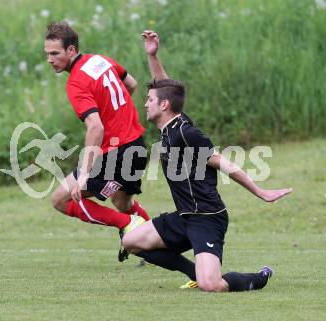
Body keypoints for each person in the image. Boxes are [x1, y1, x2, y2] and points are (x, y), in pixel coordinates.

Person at [121, 30, 293, 292]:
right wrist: (152, 55)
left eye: (149, 100)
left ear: (164, 105)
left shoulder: (187, 133)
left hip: (206, 218)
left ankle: (259, 277)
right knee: (131, 242)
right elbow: (164, 86)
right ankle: (194, 272)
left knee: (212, 286)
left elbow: (226, 164)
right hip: (184, 217)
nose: (145, 104)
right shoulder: (171, 126)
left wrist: (261, 192)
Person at [44, 22, 150, 261]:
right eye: (47, 54)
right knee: (121, 201)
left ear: (71, 50)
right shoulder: (100, 60)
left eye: (55, 53)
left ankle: (128, 225)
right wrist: (114, 111)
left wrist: (84, 175)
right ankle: (155, 239)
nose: (50, 59)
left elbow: (95, 127)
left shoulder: (76, 83)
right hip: (136, 147)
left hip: (115, 154)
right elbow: (131, 84)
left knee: (61, 199)